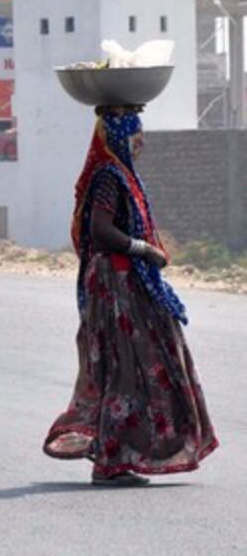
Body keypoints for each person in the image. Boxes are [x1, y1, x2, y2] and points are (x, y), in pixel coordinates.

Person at [44, 107, 217, 486]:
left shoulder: (123, 175)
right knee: (126, 367)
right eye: (135, 132)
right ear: (118, 134)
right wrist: (143, 248)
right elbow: (101, 229)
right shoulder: (109, 177)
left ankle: (126, 452)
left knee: (145, 363)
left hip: (127, 281)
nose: (141, 141)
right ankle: (111, 460)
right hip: (116, 285)